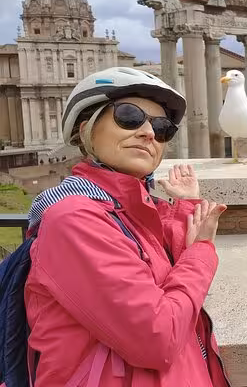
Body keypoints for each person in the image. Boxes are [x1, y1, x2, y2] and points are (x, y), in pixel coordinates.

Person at [24, 67, 230, 386]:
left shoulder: (129, 212)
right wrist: (202, 252)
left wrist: (188, 205)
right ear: (86, 129)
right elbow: (157, 336)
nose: (149, 132)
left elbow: (168, 268)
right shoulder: (74, 220)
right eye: (130, 116)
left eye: (162, 128)